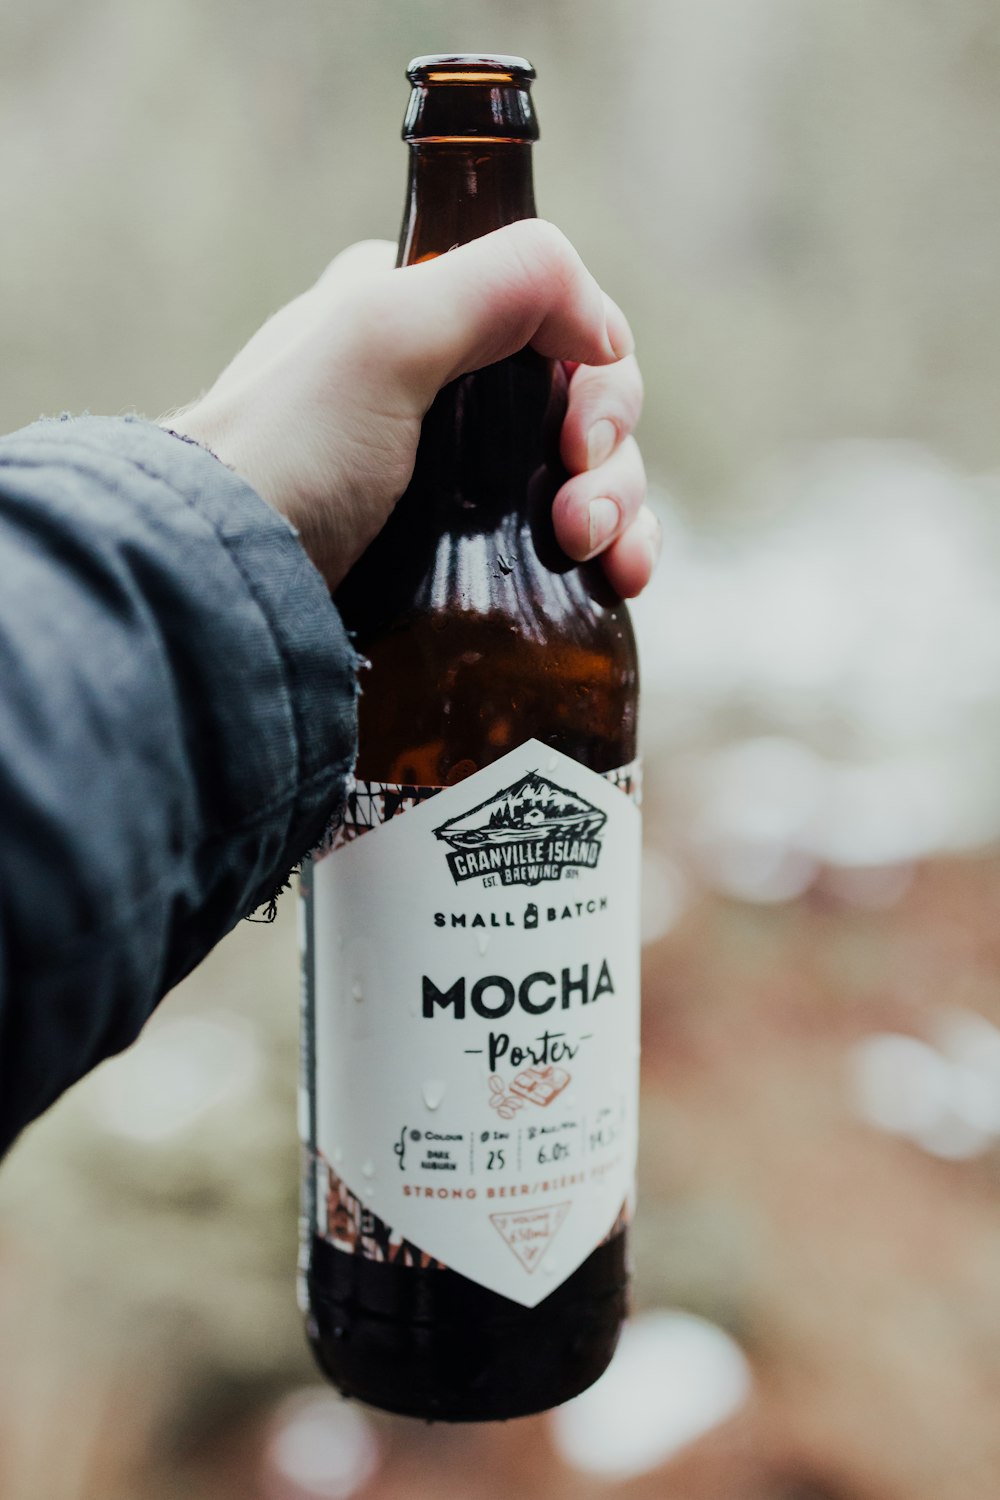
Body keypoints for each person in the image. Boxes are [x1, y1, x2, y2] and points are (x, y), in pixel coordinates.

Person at [0, 220, 655, 1157]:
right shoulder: (408, 608)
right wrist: (239, 506)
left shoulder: (552, 599)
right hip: (397, 1228)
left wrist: (230, 513)